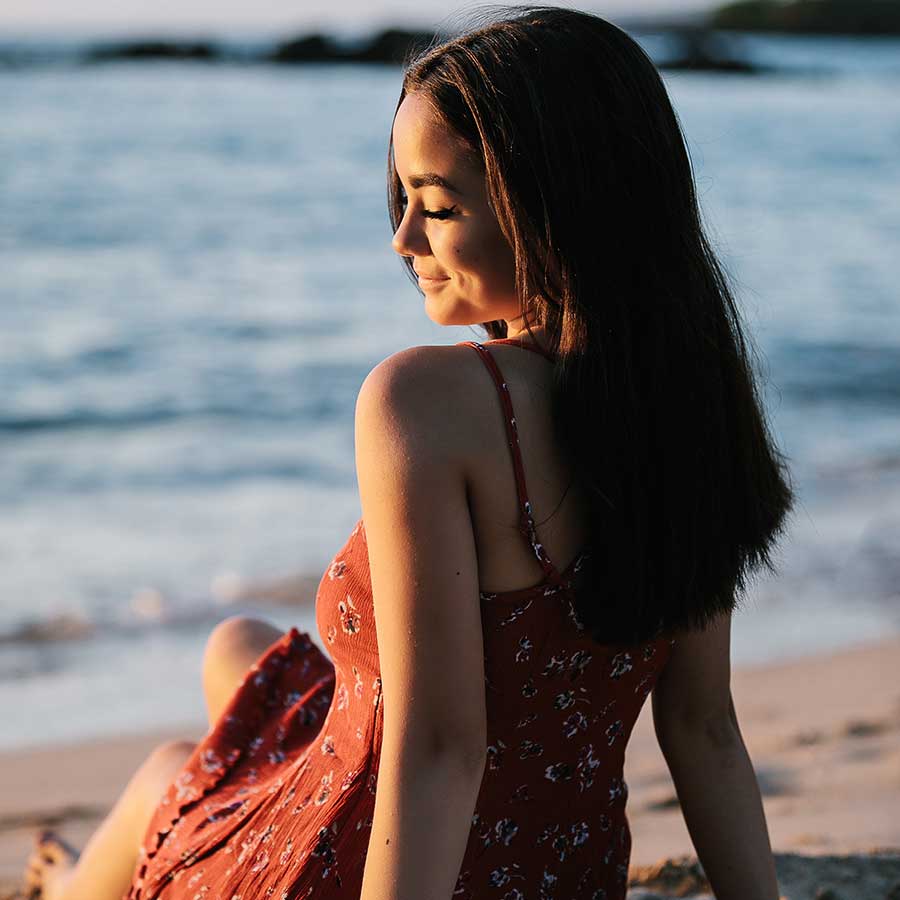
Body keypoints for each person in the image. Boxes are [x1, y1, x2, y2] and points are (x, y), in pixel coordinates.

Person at [24, 6, 793, 899]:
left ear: (556, 204)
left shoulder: (431, 401)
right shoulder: (686, 400)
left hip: (377, 865)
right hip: (561, 874)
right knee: (241, 651)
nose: (404, 240)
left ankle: (69, 883)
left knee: (171, 774)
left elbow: (442, 747)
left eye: (436, 205)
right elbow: (704, 730)